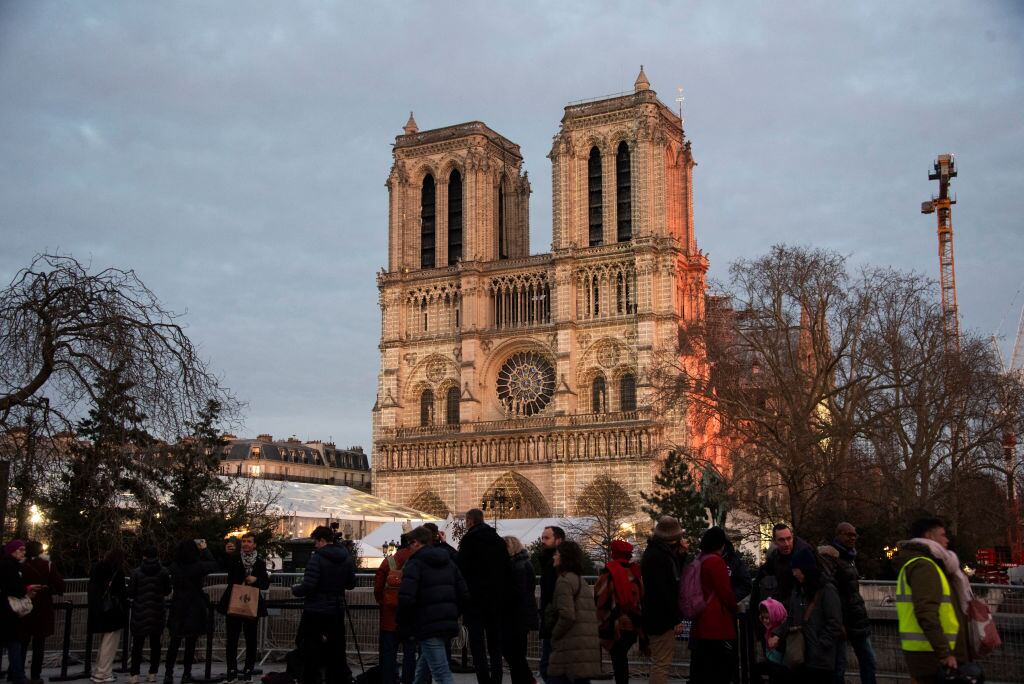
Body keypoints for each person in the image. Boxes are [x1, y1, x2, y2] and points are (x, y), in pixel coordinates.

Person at [896, 517, 973, 684]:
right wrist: (944, 653)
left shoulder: (927, 564)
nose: (947, 540)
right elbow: (926, 612)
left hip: (931, 654)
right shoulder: (924, 566)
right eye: (943, 535)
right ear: (929, 536)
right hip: (933, 657)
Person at [397, 526, 468, 684]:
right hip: (446, 622)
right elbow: (463, 593)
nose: (408, 547)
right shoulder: (448, 562)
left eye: (409, 544)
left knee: (442, 674)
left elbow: (406, 598)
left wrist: (403, 624)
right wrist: (451, 613)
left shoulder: (414, 564)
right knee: (424, 669)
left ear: (416, 543)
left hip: (426, 624)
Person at [292, 525, 357, 684]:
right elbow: (351, 583)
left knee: (310, 645)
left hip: (316, 608)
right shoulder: (346, 556)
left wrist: (295, 590)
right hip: (337, 607)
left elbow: (309, 585)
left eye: (316, 541)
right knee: (336, 646)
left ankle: (312, 677)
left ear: (322, 540)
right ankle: (336, 677)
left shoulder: (318, 558)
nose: (315, 545)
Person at [455, 509, 510, 684]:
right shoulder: (498, 541)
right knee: (495, 646)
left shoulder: (469, 540)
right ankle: (497, 680)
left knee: (477, 647)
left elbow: (461, 570)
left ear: (470, 521)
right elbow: (506, 571)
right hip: (496, 601)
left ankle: (484, 681)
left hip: (475, 602)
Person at [818, 523, 875, 684]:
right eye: (849, 534)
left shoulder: (850, 558)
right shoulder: (830, 559)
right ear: (838, 535)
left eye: (854, 535)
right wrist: (838, 622)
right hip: (842, 622)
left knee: (868, 661)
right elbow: (831, 594)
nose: (853, 538)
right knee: (840, 666)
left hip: (856, 618)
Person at [164, 539, 219, 684]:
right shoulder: (198, 566)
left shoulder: (174, 567)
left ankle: (168, 674)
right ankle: (186, 674)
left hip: (178, 605)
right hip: (194, 605)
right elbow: (213, 564)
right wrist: (205, 549)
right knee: (191, 643)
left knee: (174, 642)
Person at [688, 527, 738, 684]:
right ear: (721, 544)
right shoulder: (716, 562)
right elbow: (725, 591)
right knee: (718, 670)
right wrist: (734, 607)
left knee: (701, 669)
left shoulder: (699, 560)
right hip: (716, 624)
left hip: (700, 621)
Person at [218, 533, 270, 683]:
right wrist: (226, 553)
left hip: (251, 603)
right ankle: (231, 671)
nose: (246, 544)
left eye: (249, 542)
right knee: (232, 638)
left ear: (254, 545)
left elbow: (265, 583)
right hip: (234, 600)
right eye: (244, 541)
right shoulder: (234, 558)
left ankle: (248, 670)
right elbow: (221, 565)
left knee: (251, 638)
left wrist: (256, 580)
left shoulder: (259, 562)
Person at [786, 546, 843, 683]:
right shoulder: (798, 591)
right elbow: (791, 618)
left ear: (805, 569)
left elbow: (834, 622)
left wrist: (820, 646)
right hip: (804, 656)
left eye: (796, 570)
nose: (794, 573)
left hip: (820, 659)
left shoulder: (827, 590)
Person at [547, 540, 600, 684]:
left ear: (564, 557)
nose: (554, 557)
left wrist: (554, 634)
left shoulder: (564, 581)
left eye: (556, 554)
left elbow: (567, 615)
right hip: (583, 647)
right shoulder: (580, 580)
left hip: (568, 647)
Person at [640, 516, 686, 684]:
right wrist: (675, 619)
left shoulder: (656, 552)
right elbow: (665, 590)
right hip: (661, 620)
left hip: (656, 617)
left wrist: (680, 557)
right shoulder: (659, 556)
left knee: (660, 662)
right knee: (661, 664)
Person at [594, 539, 643, 684]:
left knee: (618, 660)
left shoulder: (609, 573)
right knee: (622, 658)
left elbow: (600, 598)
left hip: (614, 624)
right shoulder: (635, 572)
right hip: (632, 623)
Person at [19, 540, 64, 684]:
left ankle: (17, 672)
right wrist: (49, 589)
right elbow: (59, 584)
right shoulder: (48, 566)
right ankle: (35, 675)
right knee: (39, 644)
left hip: (24, 606)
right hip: (42, 608)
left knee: (22, 642)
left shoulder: (21, 566)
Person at [127, 545, 172, 684]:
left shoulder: (136, 572)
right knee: (155, 645)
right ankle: (153, 673)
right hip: (157, 611)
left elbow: (131, 592)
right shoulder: (163, 571)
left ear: (144, 556)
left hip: (140, 612)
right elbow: (167, 590)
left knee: (137, 645)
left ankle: (134, 674)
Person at [374, 535, 415, 684]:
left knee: (388, 654)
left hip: (389, 616)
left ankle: (389, 680)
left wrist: (382, 602)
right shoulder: (416, 561)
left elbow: (378, 587)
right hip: (411, 616)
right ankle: (408, 680)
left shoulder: (389, 561)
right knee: (410, 653)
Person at [88, 548, 128, 684]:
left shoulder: (97, 568)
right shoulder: (117, 572)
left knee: (103, 642)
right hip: (113, 612)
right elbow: (121, 593)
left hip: (99, 610)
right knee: (110, 644)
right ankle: (103, 673)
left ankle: (98, 671)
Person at [502, 536, 537, 684]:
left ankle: (527, 680)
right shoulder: (522, 564)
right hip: (521, 615)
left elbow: (518, 592)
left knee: (513, 654)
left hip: (516, 616)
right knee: (517, 654)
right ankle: (526, 680)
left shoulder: (517, 566)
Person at [1, 540, 37, 684]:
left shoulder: (9, 565)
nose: (23, 552)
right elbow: (13, 587)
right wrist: (26, 590)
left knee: (12, 643)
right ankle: (18, 675)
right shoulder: (10, 566)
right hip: (8, 610)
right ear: (13, 551)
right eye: (21, 550)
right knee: (14, 643)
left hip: (6, 610)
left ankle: (17, 674)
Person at [537, 525, 564, 683]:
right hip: (550, 620)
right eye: (542, 537)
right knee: (547, 667)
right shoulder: (548, 561)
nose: (542, 541)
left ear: (558, 540)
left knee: (548, 667)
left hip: (555, 622)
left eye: (547, 538)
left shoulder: (558, 565)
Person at [757, 598, 788, 683]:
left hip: (779, 669)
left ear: (776, 615)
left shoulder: (780, 633)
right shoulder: (769, 630)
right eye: (763, 618)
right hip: (773, 666)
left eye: (767, 618)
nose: (765, 620)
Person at [721, 539, 752, 604]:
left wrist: (731, 598)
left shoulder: (734, 561)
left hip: (728, 606)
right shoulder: (706, 559)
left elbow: (746, 584)